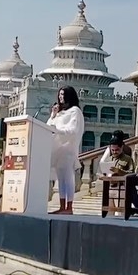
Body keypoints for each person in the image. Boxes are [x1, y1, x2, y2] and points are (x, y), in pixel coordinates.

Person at [47, 85, 85, 214]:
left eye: (63, 94)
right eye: (60, 94)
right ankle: (62, 206)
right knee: (60, 178)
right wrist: (53, 115)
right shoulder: (59, 112)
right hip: (57, 148)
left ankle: (69, 207)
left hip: (68, 148)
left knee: (68, 177)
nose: (60, 97)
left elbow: (73, 130)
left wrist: (58, 131)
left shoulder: (75, 111)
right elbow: (48, 127)